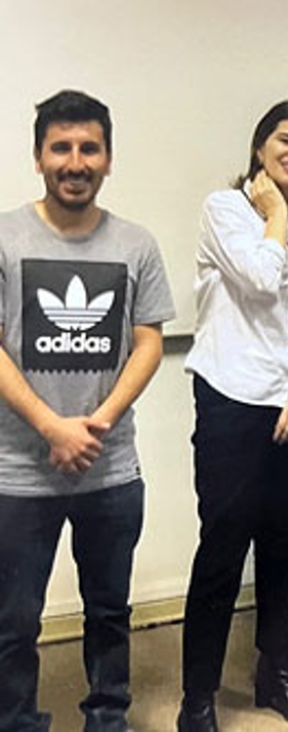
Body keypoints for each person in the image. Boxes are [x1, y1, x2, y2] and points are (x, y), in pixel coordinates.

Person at [0, 90, 174, 731]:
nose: (75, 161)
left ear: (108, 158)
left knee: (109, 610)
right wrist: (50, 426)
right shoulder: (4, 236)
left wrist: (95, 424)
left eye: (89, 148)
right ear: (39, 156)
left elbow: (149, 340)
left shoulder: (136, 243)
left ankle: (107, 717)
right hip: (16, 473)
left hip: (109, 467)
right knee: (13, 621)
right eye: (62, 148)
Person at [178, 100, 288, 730]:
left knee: (284, 548)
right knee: (222, 549)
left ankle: (273, 676)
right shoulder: (226, 211)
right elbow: (259, 281)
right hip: (233, 404)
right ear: (260, 147)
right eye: (286, 140)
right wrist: (272, 212)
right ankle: (198, 699)